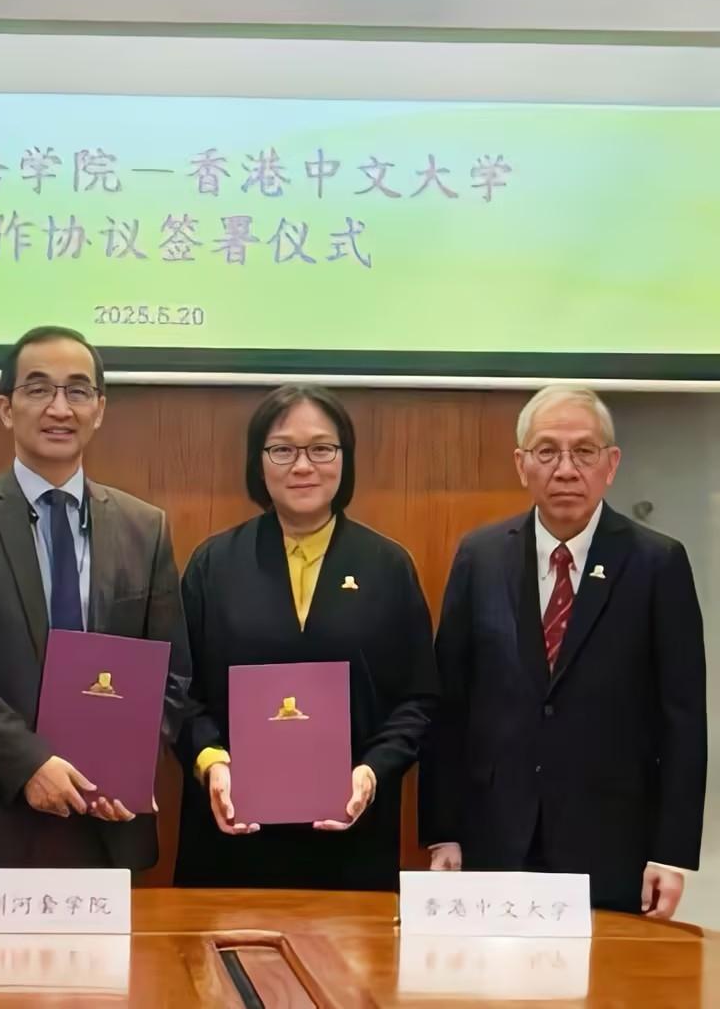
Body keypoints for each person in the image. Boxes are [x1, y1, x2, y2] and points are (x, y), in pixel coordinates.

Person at [419, 385, 707, 918]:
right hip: (494, 839)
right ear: (521, 464)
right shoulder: (480, 557)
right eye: (547, 451)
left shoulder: (657, 563)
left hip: (612, 844)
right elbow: (451, 705)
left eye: (584, 452)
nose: (566, 469)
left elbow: (683, 718)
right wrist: (443, 831)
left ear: (611, 464)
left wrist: (671, 853)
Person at [0, 326, 191, 871]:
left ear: (99, 409)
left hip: (107, 824)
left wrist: (127, 763)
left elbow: (171, 671)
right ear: (6, 407)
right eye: (38, 389)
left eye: (78, 390)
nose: (59, 408)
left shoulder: (145, 528)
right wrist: (29, 764)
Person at [174, 384, 438, 889]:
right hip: (232, 838)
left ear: (345, 459)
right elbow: (180, 690)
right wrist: (211, 762)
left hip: (352, 838)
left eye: (321, 449)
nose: (302, 466)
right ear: (258, 463)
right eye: (282, 450)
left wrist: (372, 772)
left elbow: (419, 698)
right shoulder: (214, 564)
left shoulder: (387, 566)